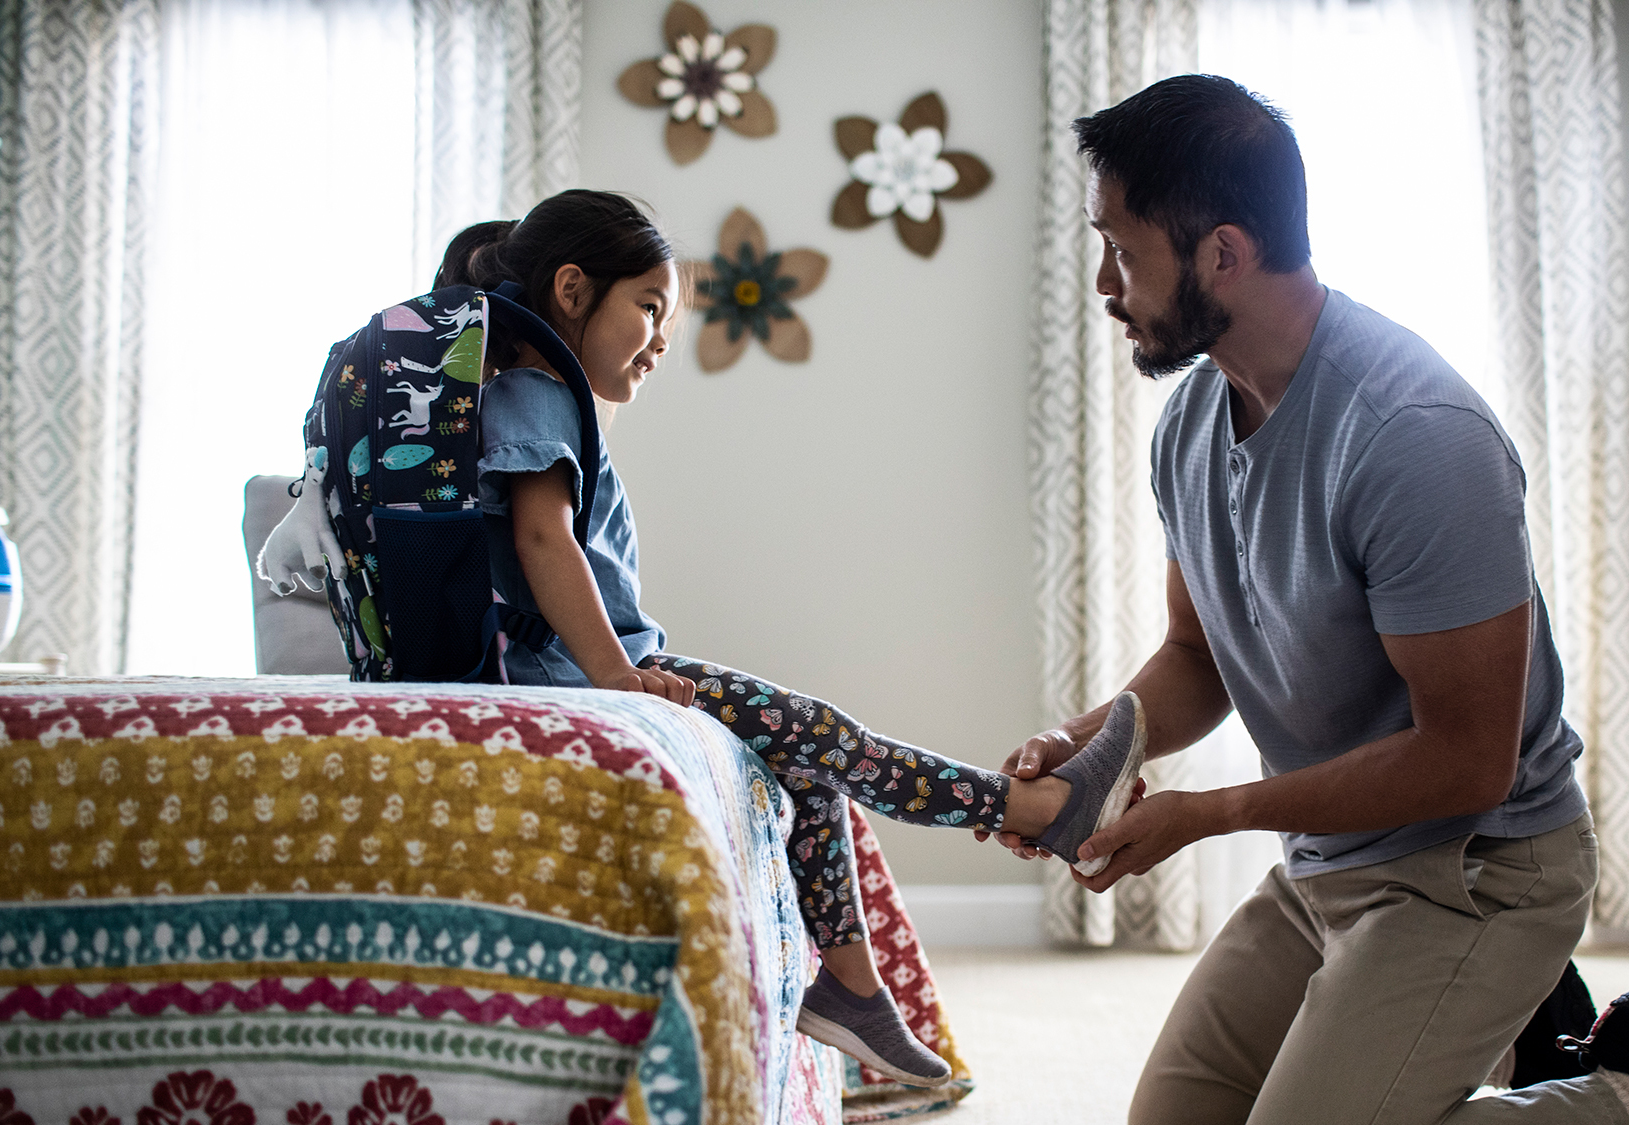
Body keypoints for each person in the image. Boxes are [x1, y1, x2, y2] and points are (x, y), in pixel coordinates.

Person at [990, 76, 1629, 1125]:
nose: (1103, 283)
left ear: (1222, 254)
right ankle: (1512, 1033)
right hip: (1327, 867)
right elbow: (1197, 655)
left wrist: (1211, 815)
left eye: (1122, 251)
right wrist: (1087, 748)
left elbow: (1468, 760)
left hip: (1480, 868)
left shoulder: (1414, 435)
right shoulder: (1190, 424)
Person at [430, 190, 1148, 1087]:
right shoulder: (536, 392)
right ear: (572, 290)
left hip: (588, 664)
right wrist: (618, 675)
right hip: (581, 670)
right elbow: (544, 540)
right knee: (826, 733)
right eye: (648, 307)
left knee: (808, 760)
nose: (661, 340)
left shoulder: (536, 394)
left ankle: (852, 988)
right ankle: (1032, 809)